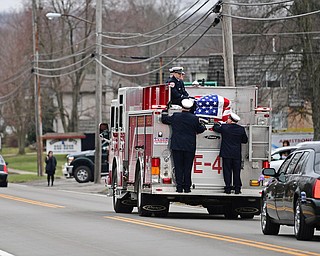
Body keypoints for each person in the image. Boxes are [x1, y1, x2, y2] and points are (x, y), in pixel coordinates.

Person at [161, 98, 206, 193]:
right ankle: (187, 187)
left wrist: (165, 109)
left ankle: (179, 187)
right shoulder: (194, 118)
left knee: (178, 167)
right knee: (187, 167)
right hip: (189, 146)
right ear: (190, 108)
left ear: (181, 107)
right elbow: (200, 129)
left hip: (177, 145)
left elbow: (164, 119)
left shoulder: (176, 116)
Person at [213, 113, 248, 194]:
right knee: (236, 171)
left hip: (226, 153)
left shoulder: (225, 127)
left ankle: (228, 188)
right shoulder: (241, 129)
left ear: (230, 119)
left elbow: (215, 128)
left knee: (227, 171)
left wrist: (218, 123)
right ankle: (237, 189)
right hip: (236, 154)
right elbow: (245, 140)